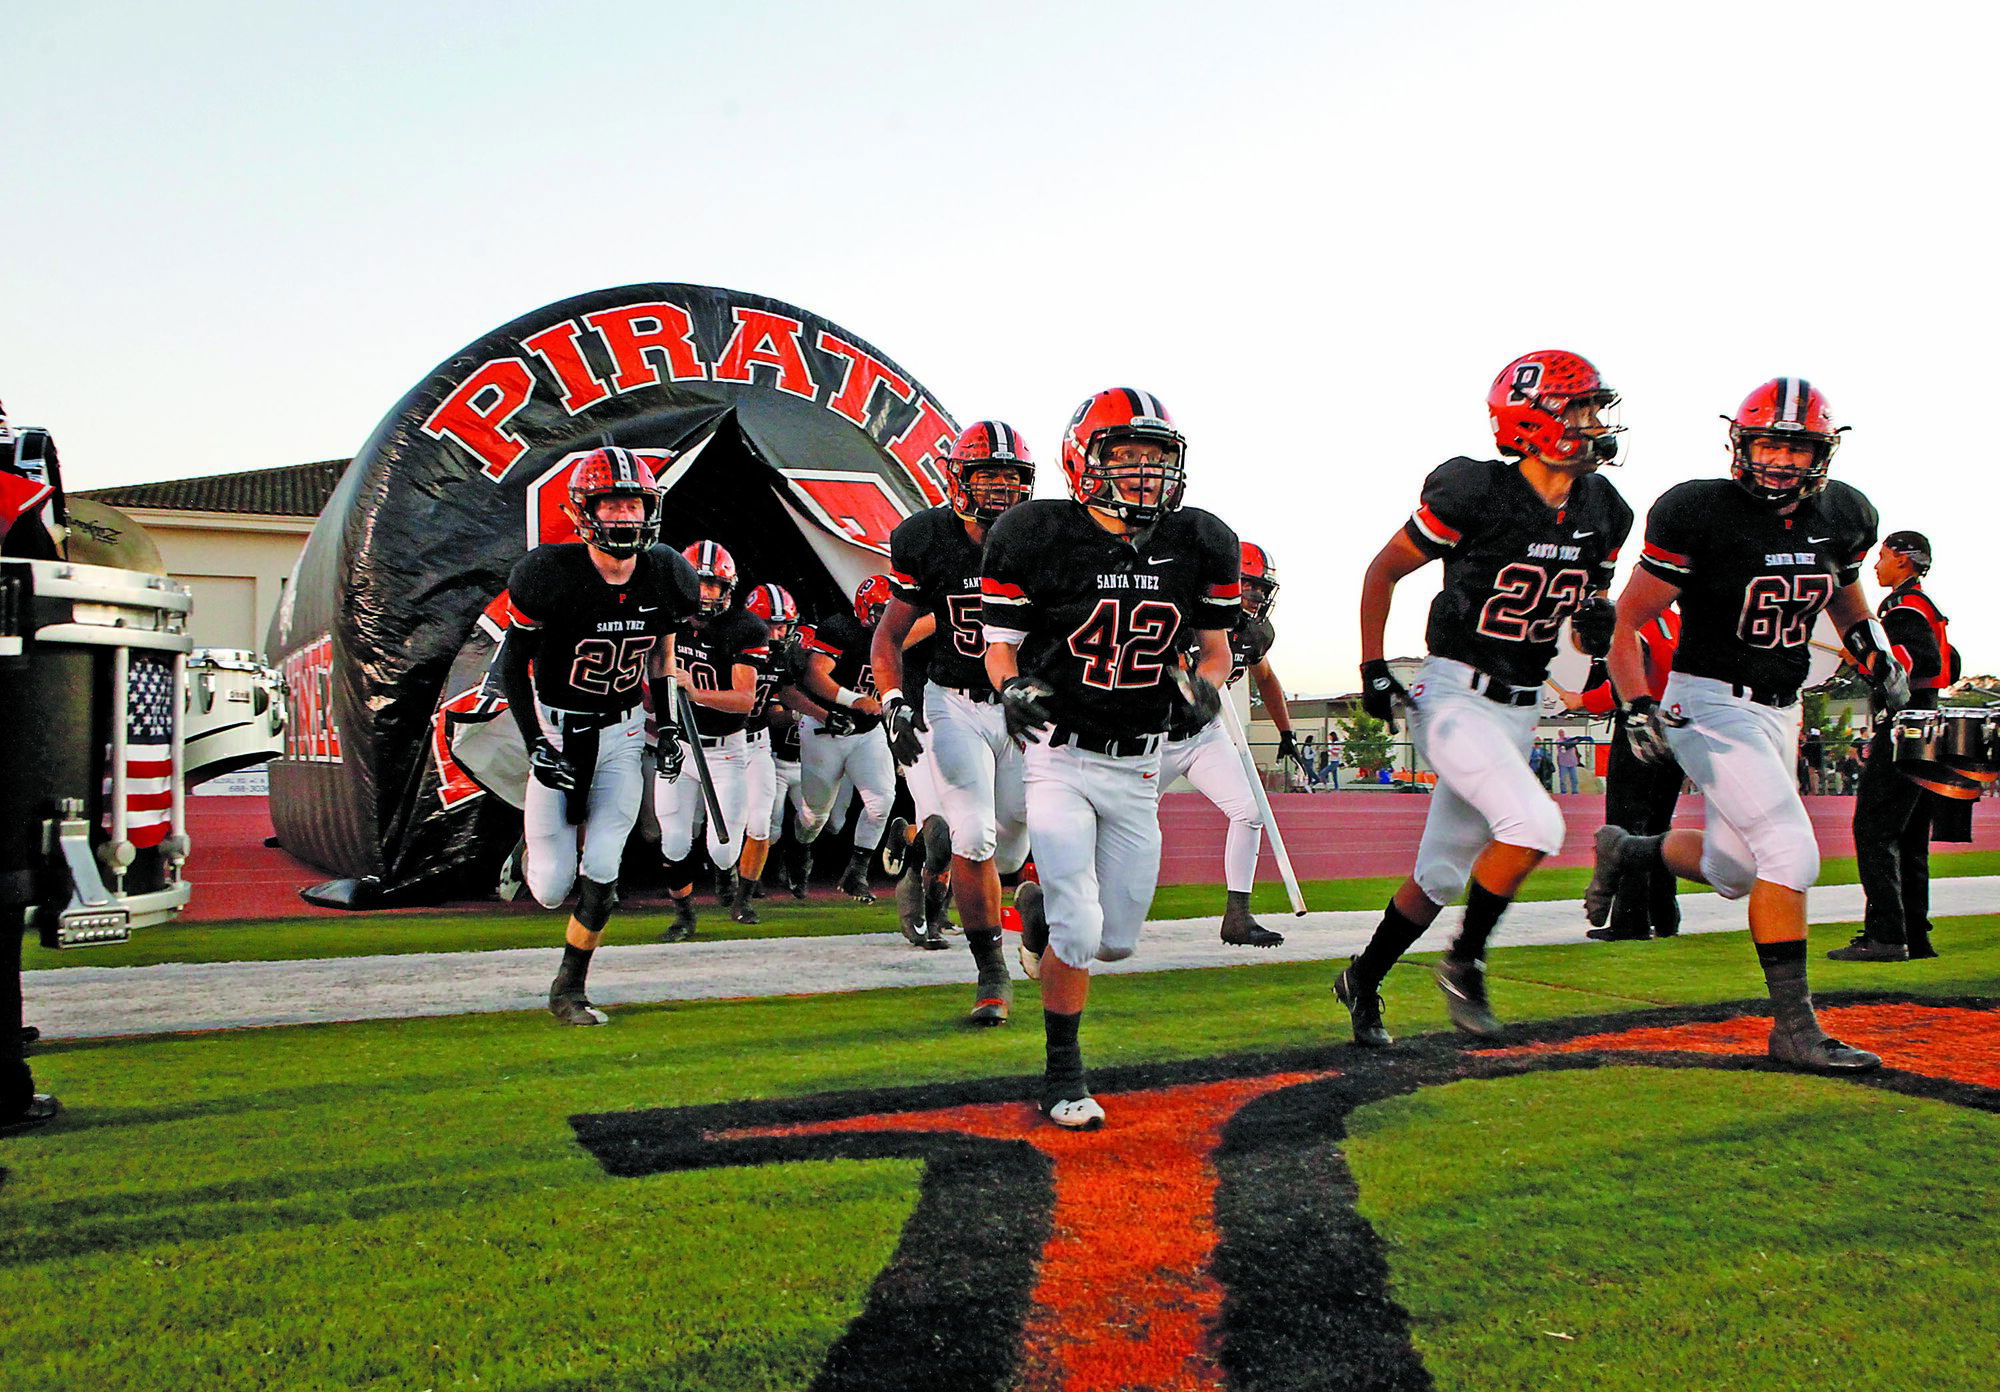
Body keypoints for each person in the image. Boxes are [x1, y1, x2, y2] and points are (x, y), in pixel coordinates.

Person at [1586, 378, 1901, 1073]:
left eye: (1797, 448)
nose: (1781, 461)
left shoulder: (1845, 513)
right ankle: (1794, 1027)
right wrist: (1635, 701)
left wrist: (1873, 648)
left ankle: (1625, 849)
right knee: (1791, 854)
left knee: (1734, 870)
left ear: (1823, 453)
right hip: (1709, 702)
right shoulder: (1700, 512)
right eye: (1769, 443)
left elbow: (1844, 593)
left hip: (1780, 708)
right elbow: (1627, 621)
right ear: (1741, 442)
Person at [1334, 350, 1632, 1048]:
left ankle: (1362, 978)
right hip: (1456, 695)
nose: (1592, 423)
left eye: (1594, 407)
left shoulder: (1604, 509)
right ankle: (1465, 961)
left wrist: (1596, 622)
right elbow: (1384, 570)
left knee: (1438, 873)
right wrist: (1374, 665)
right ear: (1531, 419)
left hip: (1522, 707)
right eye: (1577, 408)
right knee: (1534, 825)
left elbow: (1589, 616)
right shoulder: (1476, 491)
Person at [982, 387, 1238, 1129]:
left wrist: (1204, 689)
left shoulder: (1201, 541)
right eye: (1124, 456)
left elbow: (1215, 652)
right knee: (1083, 928)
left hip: (1140, 766)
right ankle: (1063, 1074)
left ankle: (1032, 913)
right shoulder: (1034, 534)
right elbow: (1000, 645)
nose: (1143, 473)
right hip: (1059, 755)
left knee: (1117, 942)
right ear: (1082, 461)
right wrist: (1013, 686)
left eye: (1156, 458)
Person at [498, 447, 699, 1025]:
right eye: (611, 501)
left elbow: (662, 656)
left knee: (605, 866)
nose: (623, 515)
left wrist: (666, 726)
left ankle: (570, 987)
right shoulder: (548, 574)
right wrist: (535, 743)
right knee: (551, 888)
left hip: (621, 731)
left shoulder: (666, 573)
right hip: (558, 729)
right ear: (585, 509)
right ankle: (530, 848)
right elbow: (514, 665)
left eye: (633, 501)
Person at [874, 420, 1036, 1022]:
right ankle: (991, 972)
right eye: (988, 474)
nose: (1000, 488)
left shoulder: (1043, 535)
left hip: (1023, 705)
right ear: (958, 478)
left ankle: (1015, 912)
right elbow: (888, 635)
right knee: (972, 833)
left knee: (1015, 842)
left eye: (1011, 477)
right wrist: (892, 702)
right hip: (955, 701)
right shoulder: (927, 539)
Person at [1160, 540, 1297, 947]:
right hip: (1153, 736)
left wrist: (1286, 732)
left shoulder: (1252, 633)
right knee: (1125, 826)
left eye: (1260, 590)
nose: (1256, 598)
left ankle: (1238, 916)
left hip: (1204, 734)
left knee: (1250, 810)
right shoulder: (1186, 612)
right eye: (1250, 587)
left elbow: (1267, 678)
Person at [1830, 531, 1952, 961]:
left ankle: (1885, 934)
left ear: (1903, 560)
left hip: (1905, 725)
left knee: (1874, 830)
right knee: (1911, 837)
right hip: (1930, 722)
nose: (1876, 566)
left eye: (1882, 557)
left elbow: (1919, 660)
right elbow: (1950, 663)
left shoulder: (1901, 608)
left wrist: (1867, 659)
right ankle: (1914, 935)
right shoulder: (1926, 605)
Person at [1560, 613, 1688, 941]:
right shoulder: (1677, 624)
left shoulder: (1634, 626)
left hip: (1639, 729)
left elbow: (1625, 685)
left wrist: (1583, 701)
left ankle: (1630, 920)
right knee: (1660, 823)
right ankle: (1665, 914)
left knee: (1626, 825)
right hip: (1676, 727)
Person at [798, 577, 899, 902]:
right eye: (880, 612)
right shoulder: (840, 628)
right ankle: (799, 849)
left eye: (891, 612)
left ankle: (857, 873)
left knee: (881, 801)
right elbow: (814, 674)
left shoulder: (897, 634)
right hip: (827, 731)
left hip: (867, 733)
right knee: (818, 817)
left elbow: (928, 623)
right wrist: (851, 699)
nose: (886, 620)